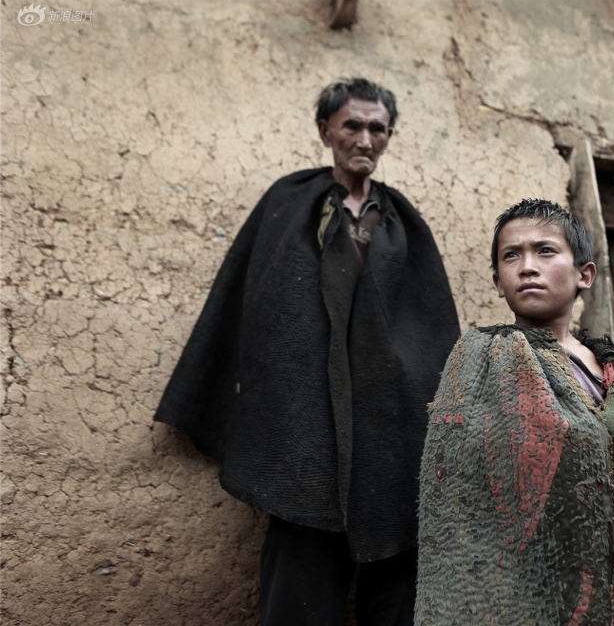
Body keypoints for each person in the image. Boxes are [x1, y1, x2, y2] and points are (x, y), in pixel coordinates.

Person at [154, 77, 460, 625]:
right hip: (308, 421)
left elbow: (428, 327)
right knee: (300, 571)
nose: (364, 139)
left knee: (398, 572)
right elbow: (251, 302)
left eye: (377, 128)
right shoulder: (289, 203)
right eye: (352, 126)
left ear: (389, 136)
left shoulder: (403, 221)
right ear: (326, 132)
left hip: (385, 424)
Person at [415, 199, 614, 625]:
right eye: (511, 255)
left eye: (545, 251)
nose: (527, 266)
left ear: (584, 275)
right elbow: (462, 498)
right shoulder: (481, 362)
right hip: (530, 590)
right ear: (498, 281)